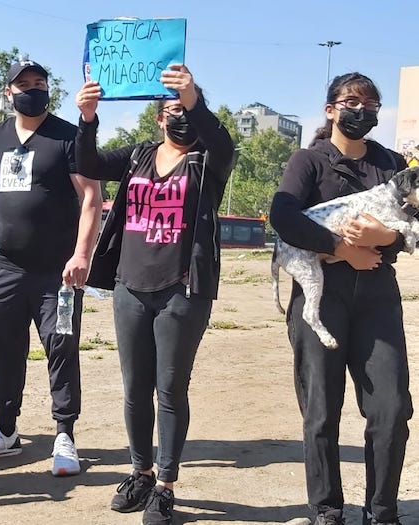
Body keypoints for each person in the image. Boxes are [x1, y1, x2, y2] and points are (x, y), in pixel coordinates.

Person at [75, 64, 234, 524]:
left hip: (181, 291)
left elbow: (220, 139)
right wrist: (88, 117)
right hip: (130, 287)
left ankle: (165, 485)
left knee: (169, 388)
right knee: (134, 387)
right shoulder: (137, 156)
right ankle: (140, 472)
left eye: (186, 107)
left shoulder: (209, 158)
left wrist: (192, 98)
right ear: (158, 120)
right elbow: (86, 163)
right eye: (171, 110)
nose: (179, 116)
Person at [269, 73, 412, 525]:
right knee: (321, 411)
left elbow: (411, 226)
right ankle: (327, 510)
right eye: (352, 101)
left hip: (377, 299)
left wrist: (384, 236)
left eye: (371, 104)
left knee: (390, 410)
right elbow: (283, 215)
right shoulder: (308, 162)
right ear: (331, 109)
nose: (362, 110)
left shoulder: (391, 163)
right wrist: (341, 248)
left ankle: (382, 512)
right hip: (322, 300)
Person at [0, 58, 102, 476]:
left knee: (61, 348)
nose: (33, 88)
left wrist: (81, 255)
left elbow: (91, 197)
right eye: (25, 83)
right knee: (4, 350)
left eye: (40, 82)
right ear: (9, 92)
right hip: (0, 270)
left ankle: (65, 435)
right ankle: (5, 431)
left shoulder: (67, 136)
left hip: (57, 274)